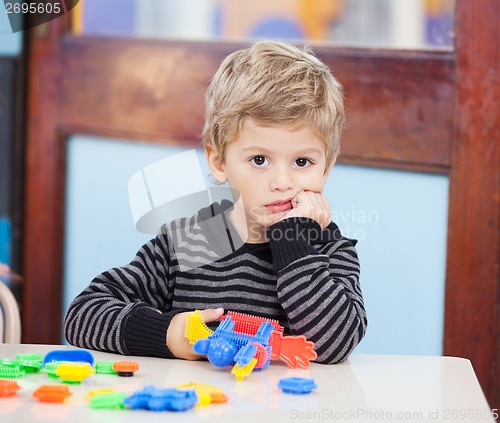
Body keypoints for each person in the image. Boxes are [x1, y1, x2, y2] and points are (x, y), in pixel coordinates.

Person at [64, 40, 367, 364]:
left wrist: (293, 239)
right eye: (260, 160)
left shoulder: (327, 248)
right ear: (219, 161)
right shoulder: (195, 242)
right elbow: (83, 313)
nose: (282, 183)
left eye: (302, 162)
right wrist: (167, 334)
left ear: (327, 167)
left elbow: (335, 345)